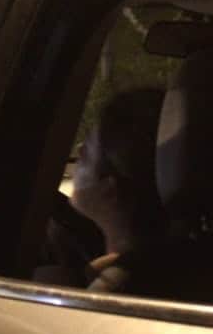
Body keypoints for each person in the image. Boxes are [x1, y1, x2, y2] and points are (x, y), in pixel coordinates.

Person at [68, 87, 168, 293]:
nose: (79, 150)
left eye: (87, 151)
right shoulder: (210, 265)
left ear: (110, 190)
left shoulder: (117, 289)